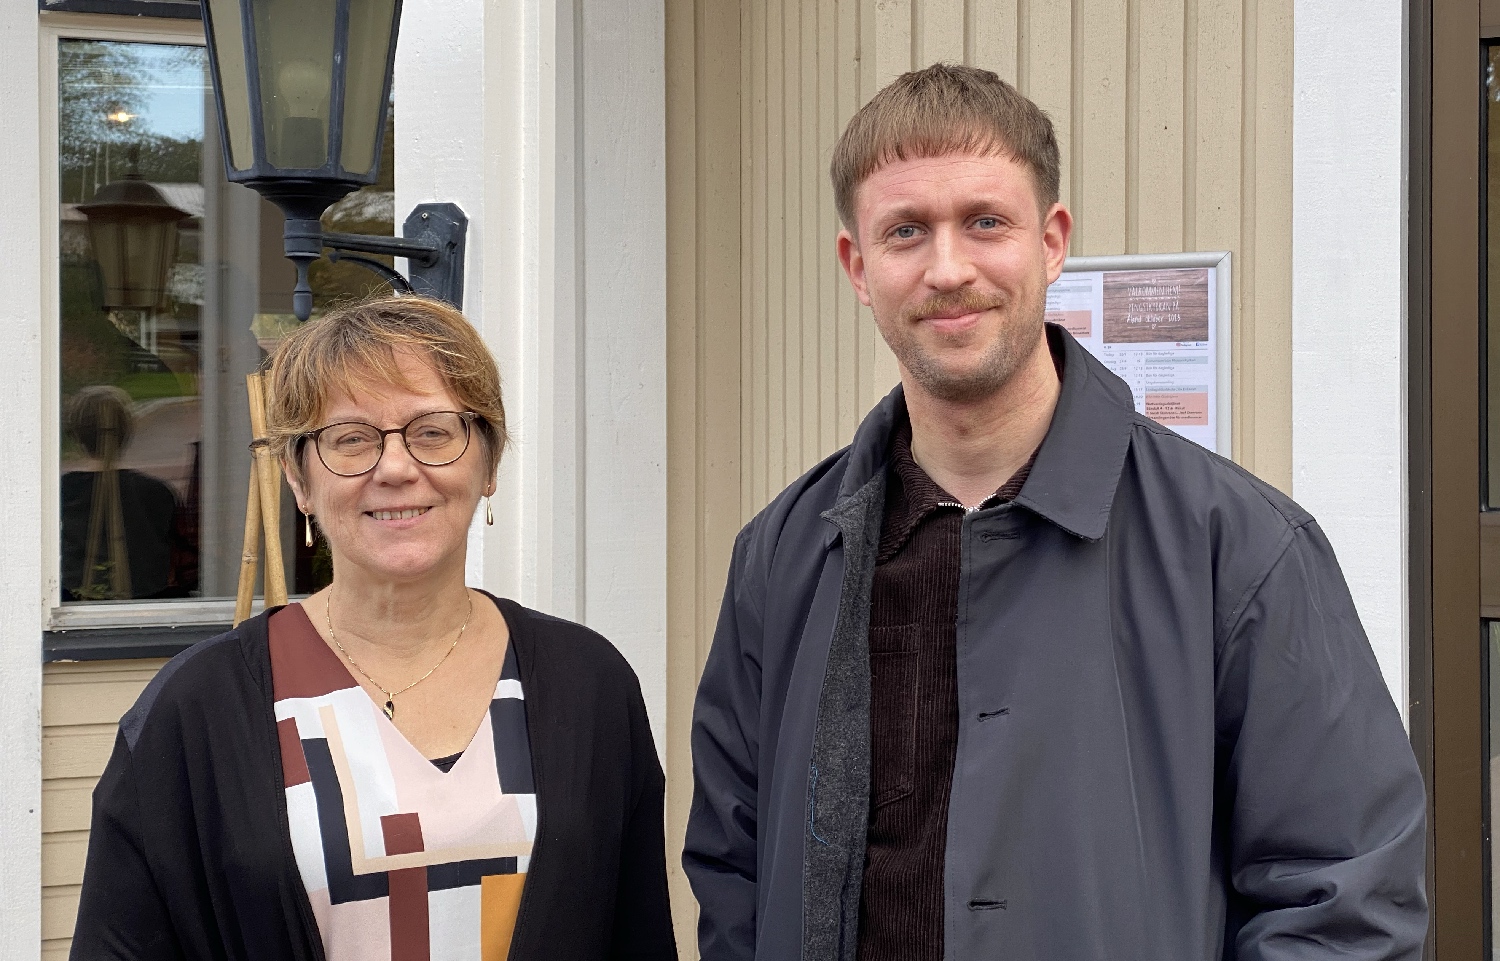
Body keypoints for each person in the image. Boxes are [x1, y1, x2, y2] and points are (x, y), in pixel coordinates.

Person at [683, 63, 1427, 960]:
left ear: (1052, 240)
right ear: (858, 266)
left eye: (985, 222)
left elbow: (1345, 901)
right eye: (906, 231)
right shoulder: (784, 555)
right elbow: (734, 871)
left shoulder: (1240, 549)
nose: (948, 268)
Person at [72, 296, 676, 961]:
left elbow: (638, 936)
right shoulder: (196, 711)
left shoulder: (588, 685)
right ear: (298, 479)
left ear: (489, 461)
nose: (395, 468)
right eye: (351, 438)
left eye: (434, 431)